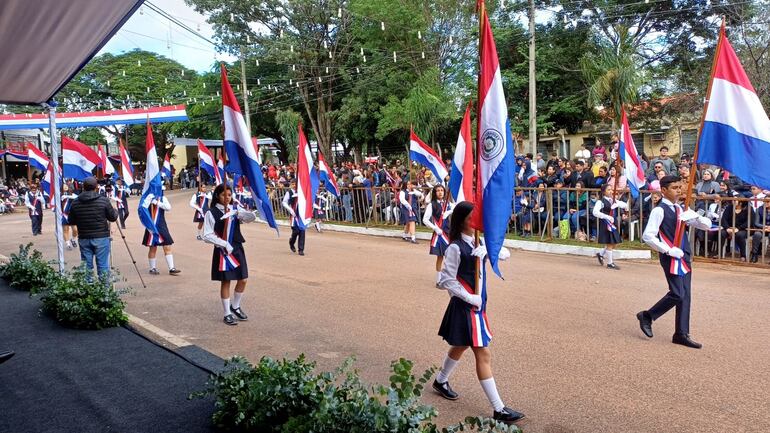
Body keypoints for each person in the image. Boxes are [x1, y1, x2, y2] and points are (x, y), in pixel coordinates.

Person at [432, 201, 524, 424]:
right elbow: (444, 280)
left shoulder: (478, 241)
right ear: (463, 219)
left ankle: (440, 380)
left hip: (478, 306)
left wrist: (492, 249)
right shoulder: (455, 247)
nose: (478, 219)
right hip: (466, 307)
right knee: (483, 353)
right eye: (473, 215)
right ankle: (498, 408)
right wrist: (468, 296)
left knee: (461, 345)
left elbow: (506, 254)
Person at [637, 176, 713, 349]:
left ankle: (681, 333)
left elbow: (707, 226)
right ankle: (648, 316)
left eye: (680, 187)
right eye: (674, 187)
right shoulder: (659, 210)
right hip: (671, 256)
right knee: (677, 293)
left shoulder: (681, 209)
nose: (678, 190)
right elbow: (648, 236)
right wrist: (668, 250)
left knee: (686, 295)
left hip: (684, 255)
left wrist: (695, 217)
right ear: (663, 191)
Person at [202, 183, 257, 326]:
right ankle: (227, 313)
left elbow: (251, 219)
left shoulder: (235, 208)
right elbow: (207, 235)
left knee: (243, 278)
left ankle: (236, 306)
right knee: (226, 281)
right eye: (223, 195)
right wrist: (224, 244)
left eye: (229, 195)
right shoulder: (211, 212)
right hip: (223, 250)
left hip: (237, 247)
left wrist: (240, 213)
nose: (227, 198)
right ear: (217, 196)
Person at [67, 177, 118, 279]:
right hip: (101, 237)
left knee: (86, 267)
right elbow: (112, 217)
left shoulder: (75, 202)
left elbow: (71, 221)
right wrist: (115, 211)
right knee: (103, 266)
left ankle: (89, 291)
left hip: (84, 237)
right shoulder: (103, 201)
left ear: (83, 187)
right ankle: (104, 291)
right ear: (96, 187)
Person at [141, 187, 181, 275]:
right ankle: (152, 268)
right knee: (153, 248)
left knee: (167, 246)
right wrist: (149, 201)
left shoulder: (163, 198)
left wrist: (157, 202)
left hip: (161, 225)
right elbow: (142, 210)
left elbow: (168, 208)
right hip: (151, 226)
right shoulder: (147, 198)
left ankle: (172, 268)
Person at [422, 184, 453, 286]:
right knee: (440, 256)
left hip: (448, 232)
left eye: (442, 190)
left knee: (451, 256)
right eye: (438, 191)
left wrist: (449, 212)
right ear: (435, 193)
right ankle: (438, 280)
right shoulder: (432, 204)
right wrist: (435, 228)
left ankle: (449, 277)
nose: (440, 192)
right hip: (439, 233)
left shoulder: (447, 203)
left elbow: (457, 208)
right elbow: (425, 219)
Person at [593, 184, 628, 270]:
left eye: (611, 189)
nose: (611, 191)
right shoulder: (600, 202)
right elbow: (595, 212)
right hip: (606, 223)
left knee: (614, 242)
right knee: (610, 243)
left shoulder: (613, 200)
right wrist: (607, 216)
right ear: (604, 192)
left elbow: (622, 204)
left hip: (613, 223)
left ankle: (601, 254)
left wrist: (625, 205)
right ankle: (610, 263)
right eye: (608, 190)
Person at [282, 179, 307, 256]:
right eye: (292, 184)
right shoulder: (289, 192)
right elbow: (284, 202)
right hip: (294, 215)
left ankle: (301, 249)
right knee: (295, 232)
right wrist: (290, 210)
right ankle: (291, 242)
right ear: (290, 185)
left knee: (302, 231)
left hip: (301, 215)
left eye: (295, 184)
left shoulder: (301, 192)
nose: (294, 185)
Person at [60, 184, 79, 249]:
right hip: (64, 214)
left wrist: (67, 196)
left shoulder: (73, 195)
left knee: (75, 230)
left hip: (72, 215)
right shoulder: (59, 194)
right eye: (64, 186)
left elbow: (76, 197)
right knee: (66, 230)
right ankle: (68, 244)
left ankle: (73, 239)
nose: (65, 187)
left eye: (66, 186)